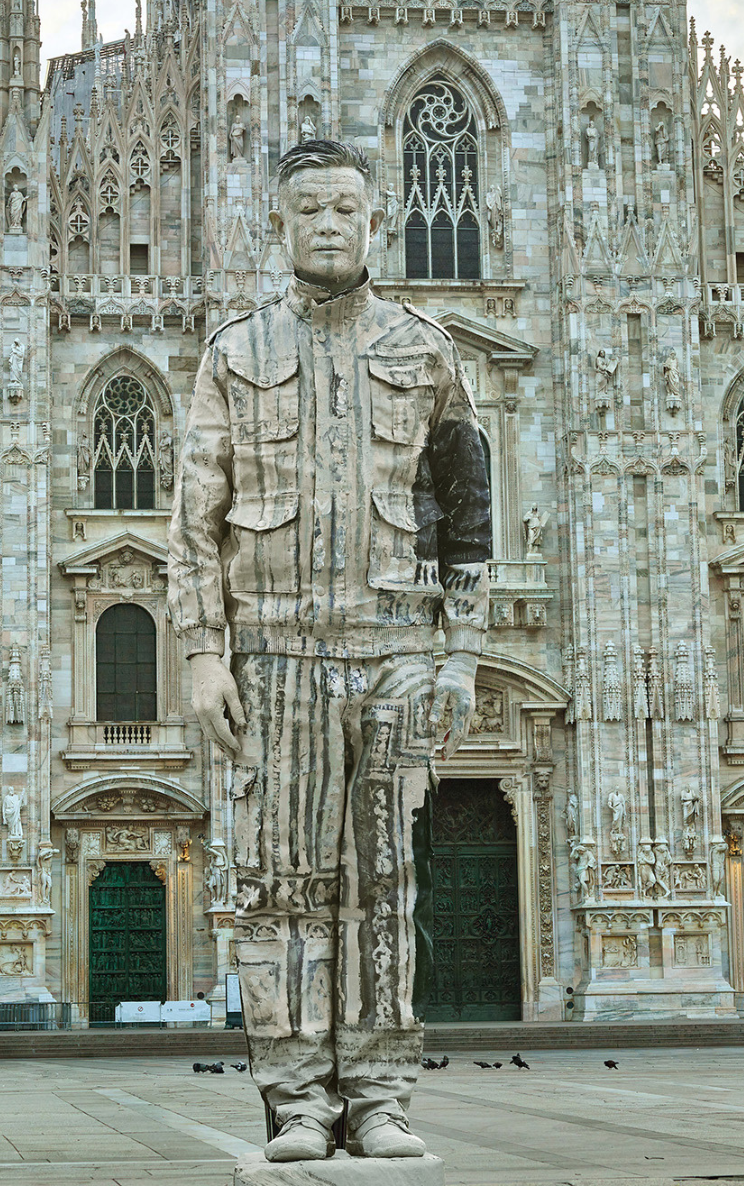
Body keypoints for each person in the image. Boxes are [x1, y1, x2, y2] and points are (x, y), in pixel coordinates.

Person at [169, 137, 490, 1163]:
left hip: (396, 646)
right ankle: (297, 1097)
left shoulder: (424, 347)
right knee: (279, 881)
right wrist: (199, 651)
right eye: (306, 206)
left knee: (388, 877)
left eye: (343, 207)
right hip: (271, 654)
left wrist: (460, 652)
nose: (325, 223)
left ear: (370, 220)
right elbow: (194, 519)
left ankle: (382, 1093)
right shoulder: (235, 351)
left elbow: (469, 513)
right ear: (279, 220)